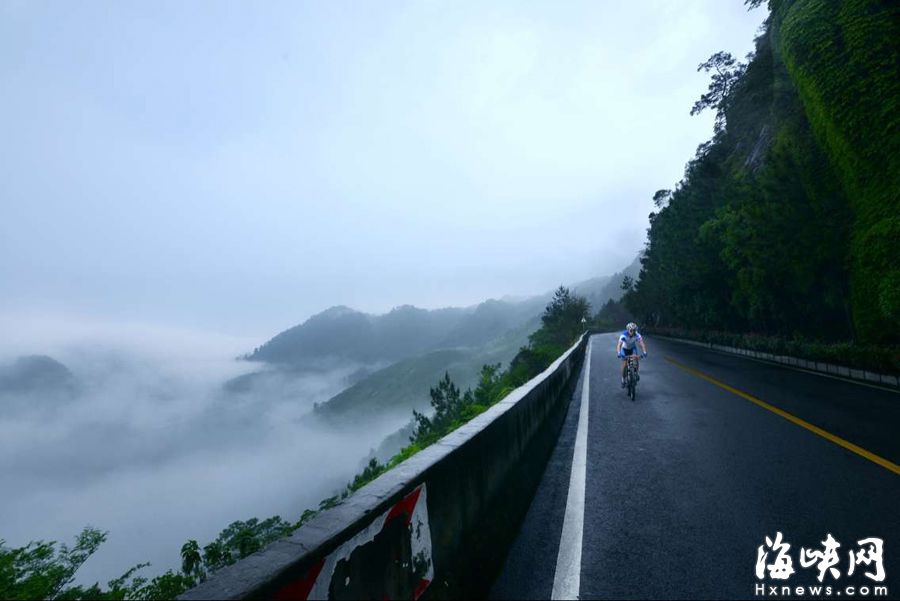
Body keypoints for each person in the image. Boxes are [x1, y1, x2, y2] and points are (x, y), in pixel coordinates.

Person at [616, 322, 647, 388]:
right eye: (631, 330)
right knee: (624, 364)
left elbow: (642, 344)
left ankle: (636, 373)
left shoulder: (637, 335)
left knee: (636, 358)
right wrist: (618, 353)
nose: (632, 332)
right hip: (624, 349)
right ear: (628, 330)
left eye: (634, 330)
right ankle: (623, 379)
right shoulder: (623, 335)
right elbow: (619, 345)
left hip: (632, 348)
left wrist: (644, 352)